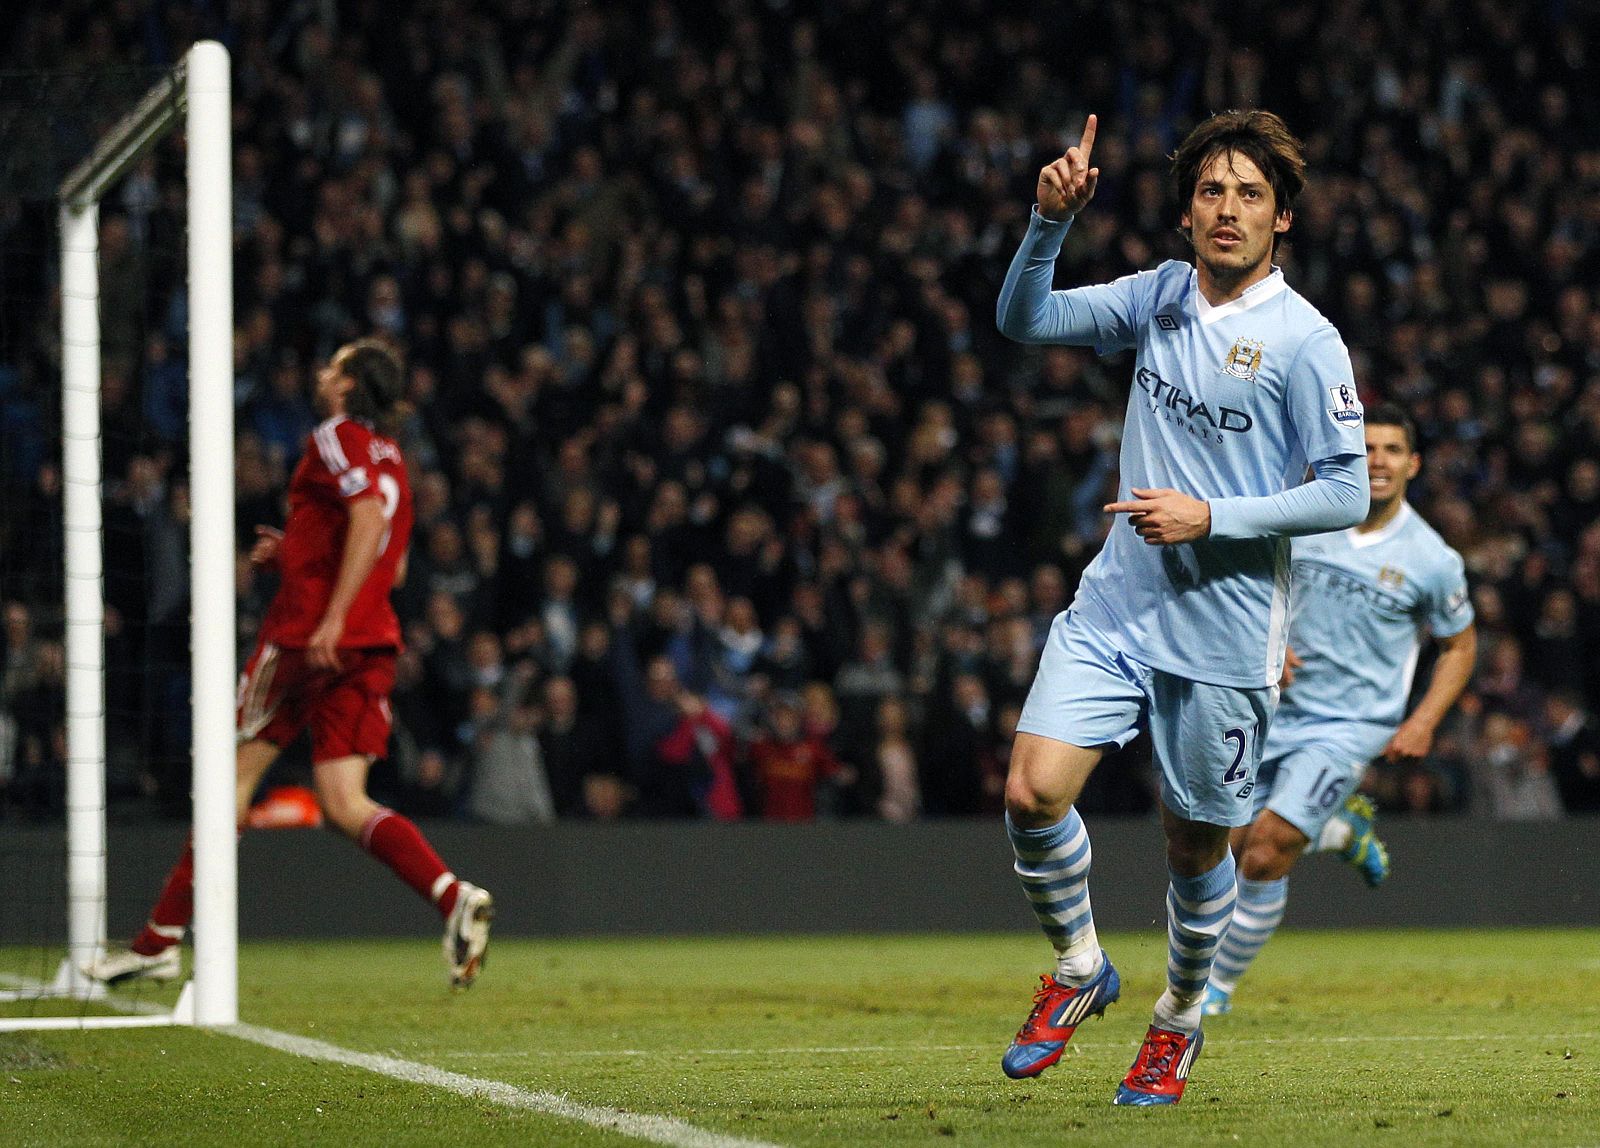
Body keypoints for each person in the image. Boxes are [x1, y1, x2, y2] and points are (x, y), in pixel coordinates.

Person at [994, 110, 1369, 1105]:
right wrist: (1046, 224)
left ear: (1281, 217)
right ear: (1185, 211)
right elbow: (1023, 321)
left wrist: (1210, 513)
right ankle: (1080, 968)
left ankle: (1177, 1019)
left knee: (1193, 844)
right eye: (1211, 191)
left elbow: (1345, 489)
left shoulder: (1306, 341)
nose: (1227, 209)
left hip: (1225, 632)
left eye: (1249, 194)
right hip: (1118, 605)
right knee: (1033, 791)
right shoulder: (1159, 296)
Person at [85, 339, 495, 990]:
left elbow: (363, 517)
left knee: (229, 782)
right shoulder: (395, 458)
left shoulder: (336, 435)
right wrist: (302, 552)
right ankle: (452, 896)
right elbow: (397, 557)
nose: (322, 373)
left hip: (309, 638)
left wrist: (328, 611)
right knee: (343, 802)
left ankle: (159, 939)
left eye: (333, 367)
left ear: (350, 385)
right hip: (369, 644)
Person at [1203, 404, 1477, 1016]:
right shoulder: (1307, 515)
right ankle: (1338, 829)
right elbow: (1247, 584)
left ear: (1413, 464)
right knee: (1227, 843)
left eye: (1392, 450)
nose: (1378, 461)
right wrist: (1264, 646)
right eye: (1368, 447)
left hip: (1350, 725)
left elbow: (1459, 645)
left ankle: (1214, 990)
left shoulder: (1432, 558)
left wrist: (1425, 720)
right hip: (1268, 707)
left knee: (1267, 848)